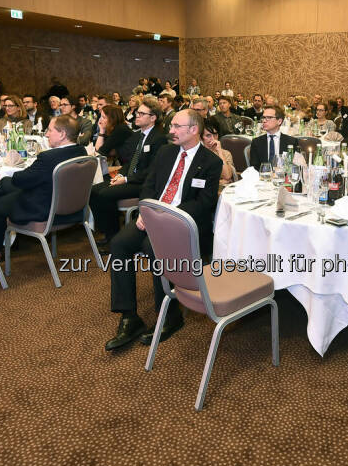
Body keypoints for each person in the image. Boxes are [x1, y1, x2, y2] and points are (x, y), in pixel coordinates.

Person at [105, 109, 223, 351]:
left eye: (177, 126)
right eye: (171, 126)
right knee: (119, 244)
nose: (171, 131)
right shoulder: (165, 153)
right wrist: (146, 212)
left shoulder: (211, 162)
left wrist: (166, 218)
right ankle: (129, 316)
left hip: (182, 223)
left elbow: (204, 203)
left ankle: (169, 315)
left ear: (194, 130)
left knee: (154, 249)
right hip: (152, 217)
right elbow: (148, 186)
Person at [0, 115, 85, 257]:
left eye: (50, 130)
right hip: (65, 201)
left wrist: (20, 173)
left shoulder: (48, 158)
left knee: (0, 204)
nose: (47, 134)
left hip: (45, 207)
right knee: (4, 183)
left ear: (62, 134)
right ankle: (5, 239)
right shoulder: (81, 151)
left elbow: (22, 180)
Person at [89, 97, 166, 244]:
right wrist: (120, 174)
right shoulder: (138, 135)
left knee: (105, 194)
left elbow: (152, 170)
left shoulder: (158, 138)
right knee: (93, 190)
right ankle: (107, 232)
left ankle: (113, 238)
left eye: (142, 113)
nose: (137, 115)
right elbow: (131, 161)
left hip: (143, 183)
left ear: (153, 118)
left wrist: (125, 179)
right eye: (137, 112)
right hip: (130, 177)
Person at [202, 117, 237, 190]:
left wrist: (219, 152)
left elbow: (227, 176)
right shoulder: (198, 154)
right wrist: (218, 182)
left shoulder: (225, 153)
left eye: (215, 135)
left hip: (220, 191)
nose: (213, 139)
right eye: (208, 135)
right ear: (201, 138)